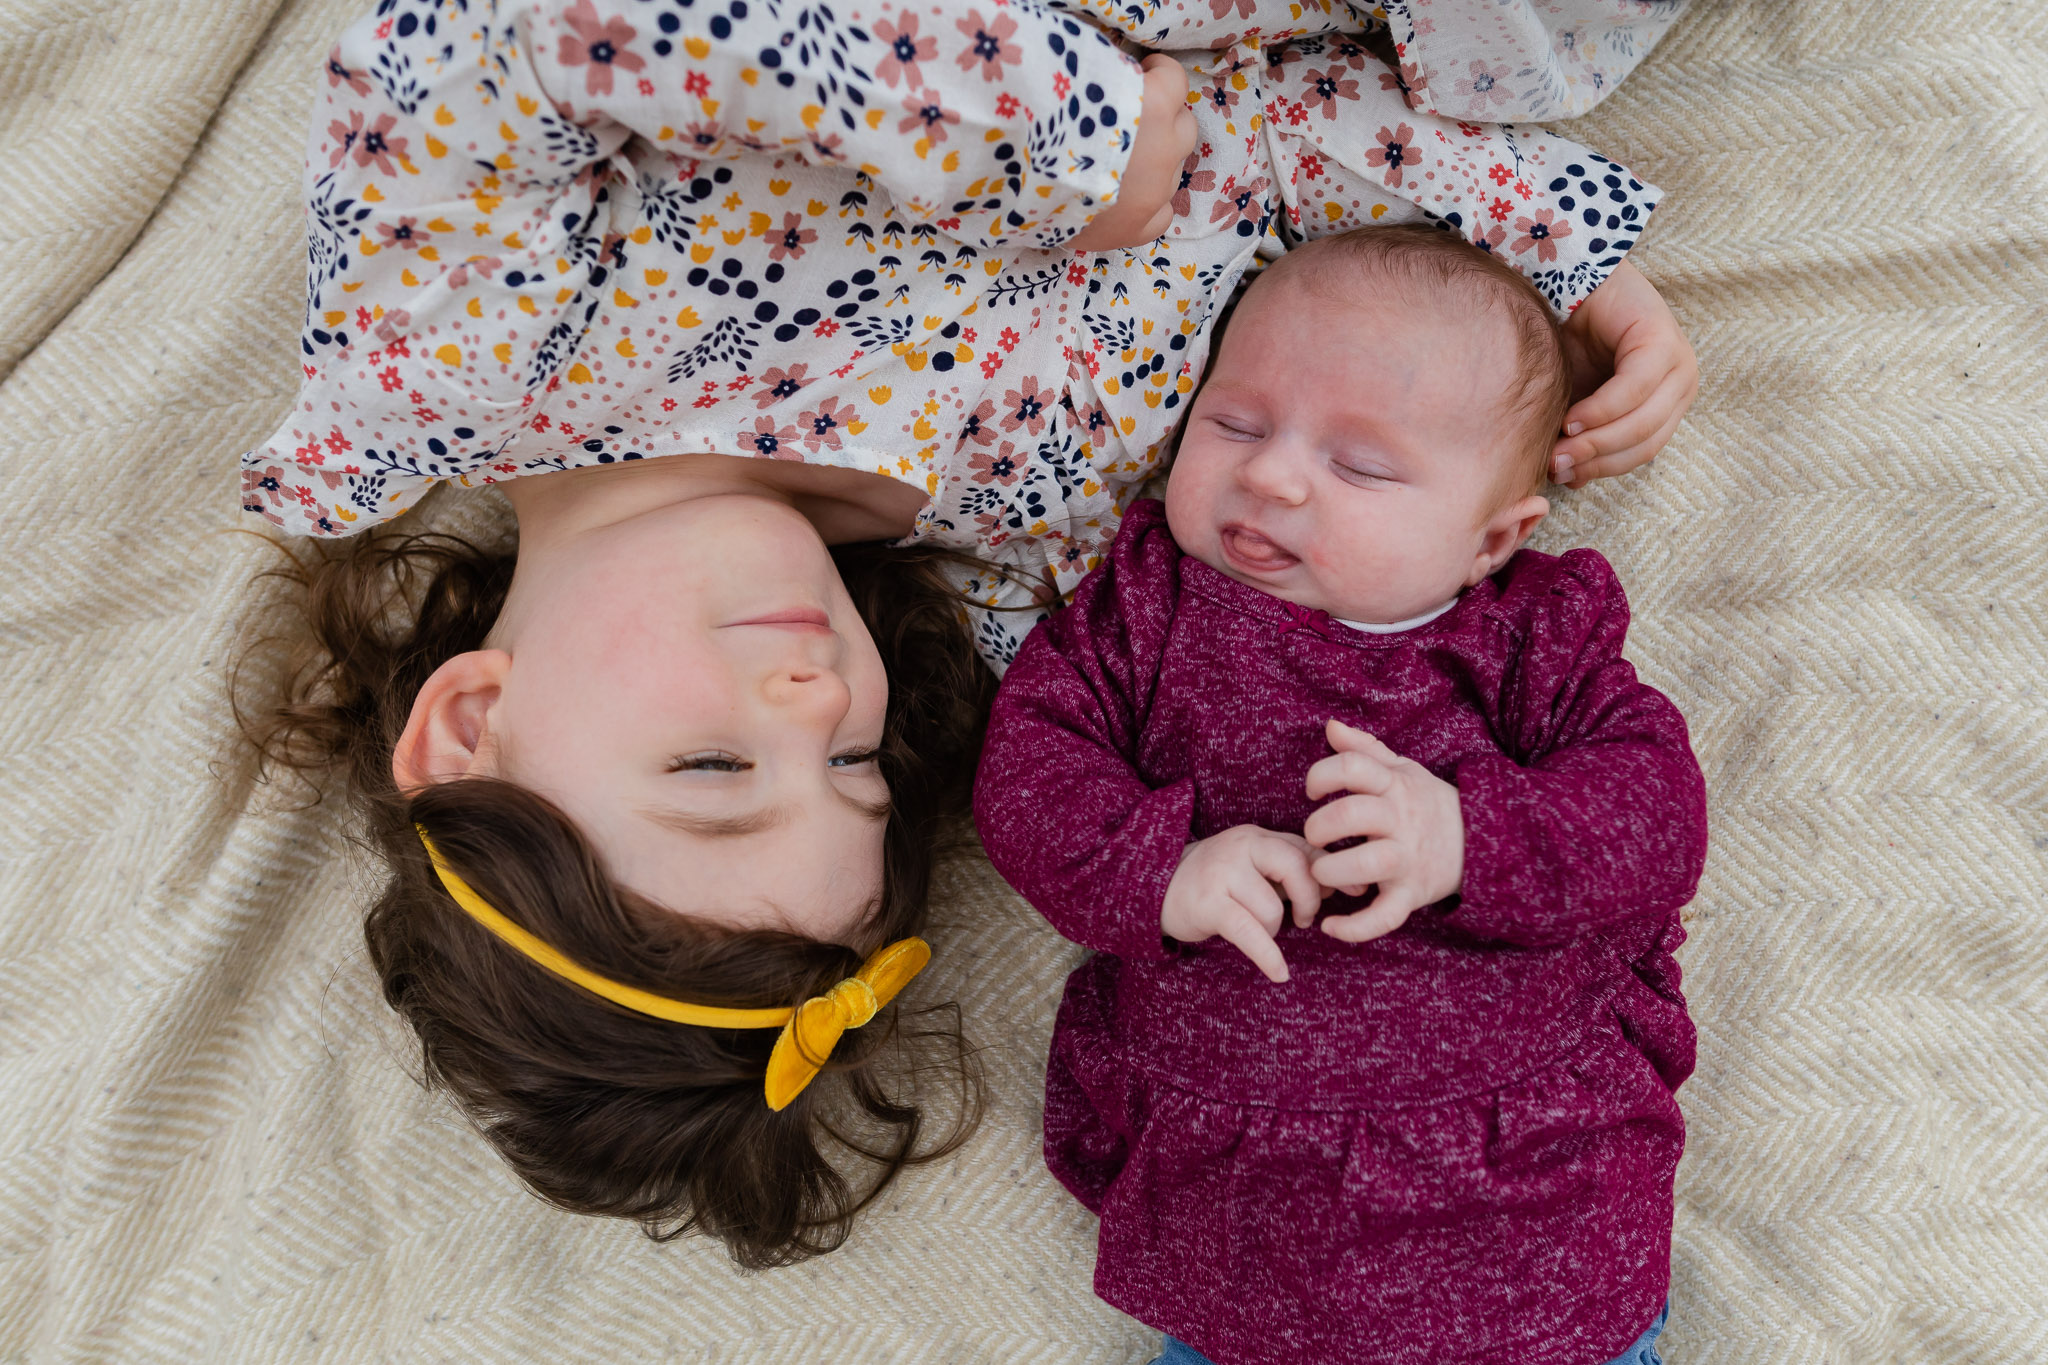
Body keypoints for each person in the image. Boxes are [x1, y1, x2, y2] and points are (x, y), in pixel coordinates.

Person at [241, 0, 1693, 1266]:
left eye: (713, 769)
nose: (812, 698)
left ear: (468, 722)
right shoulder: (1036, 531)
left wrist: (1047, 135)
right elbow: (1272, 138)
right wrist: (1553, 257)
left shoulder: (458, 345)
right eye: (856, 763)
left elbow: (543, 32)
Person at [973, 226, 1707, 1363]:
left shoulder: (1527, 639)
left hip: (1527, 1198)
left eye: (1358, 467)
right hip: (1247, 1218)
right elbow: (1028, 769)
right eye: (1234, 424)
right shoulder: (1148, 612)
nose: (1269, 475)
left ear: (1490, 539)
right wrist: (1157, 868)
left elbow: (1653, 812)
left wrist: (1467, 833)